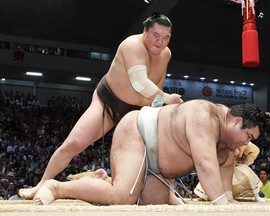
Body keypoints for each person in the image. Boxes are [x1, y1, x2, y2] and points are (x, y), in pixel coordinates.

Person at [19, 13, 182, 200]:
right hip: (108, 103)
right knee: (73, 144)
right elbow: (140, 83)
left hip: (137, 114)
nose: (160, 42)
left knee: (160, 151)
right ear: (145, 31)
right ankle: (40, 185)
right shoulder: (131, 45)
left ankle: (169, 194)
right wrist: (168, 98)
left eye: (166, 37)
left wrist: (160, 108)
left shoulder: (166, 54)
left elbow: (157, 85)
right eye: (156, 35)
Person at [31, 99, 270, 205]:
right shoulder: (204, 116)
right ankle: (56, 187)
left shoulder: (227, 144)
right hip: (138, 132)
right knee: (122, 197)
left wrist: (228, 200)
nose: (245, 143)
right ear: (237, 121)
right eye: (247, 136)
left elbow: (224, 176)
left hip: (158, 162)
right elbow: (206, 166)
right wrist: (221, 205)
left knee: (152, 204)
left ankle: (103, 179)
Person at [194, 142, 265, 202]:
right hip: (221, 167)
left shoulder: (244, 142)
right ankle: (203, 196)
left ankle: (256, 196)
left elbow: (253, 151)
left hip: (236, 166)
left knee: (247, 172)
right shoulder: (223, 141)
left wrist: (243, 159)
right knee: (211, 176)